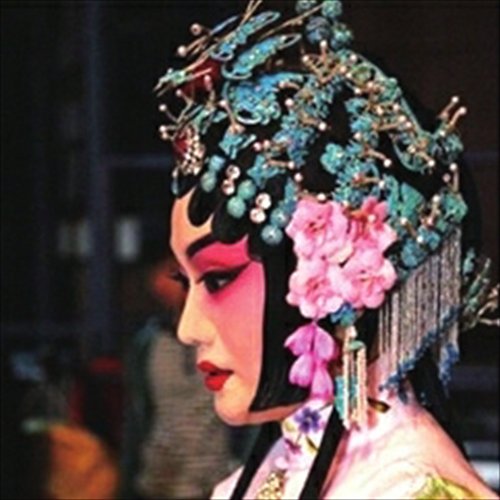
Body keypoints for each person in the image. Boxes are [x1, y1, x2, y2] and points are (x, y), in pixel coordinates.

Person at [157, 0, 499, 498]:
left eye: (217, 277)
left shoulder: (413, 487)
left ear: (332, 269)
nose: (188, 329)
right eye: (183, 281)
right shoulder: (269, 471)